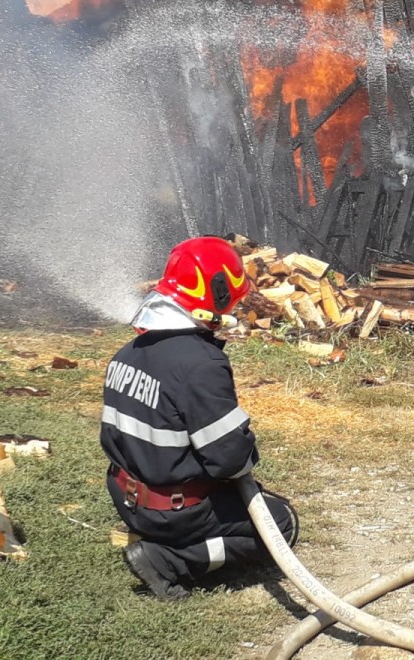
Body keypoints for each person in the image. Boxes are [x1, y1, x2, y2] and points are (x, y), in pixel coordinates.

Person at [101, 236, 297, 600]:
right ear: (217, 295)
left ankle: (169, 539)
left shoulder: (127, 353)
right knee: (281, 523)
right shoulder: (200, 364)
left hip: (126, 496)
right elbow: (231, 460)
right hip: (171, 512)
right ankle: (171, 560)